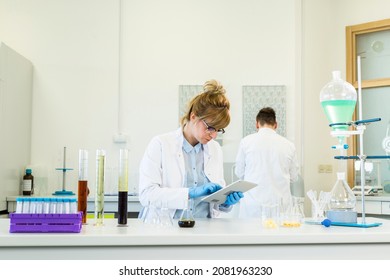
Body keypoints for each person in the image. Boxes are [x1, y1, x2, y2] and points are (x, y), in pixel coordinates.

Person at [138, 79, 244, 219]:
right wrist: (189, 193)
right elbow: (147, 195)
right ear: (193, 116)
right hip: (167, 228)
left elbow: (214, 199)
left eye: (218, 130)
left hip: (205, 230)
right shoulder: (160, 144)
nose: (213, 135)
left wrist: (225, 202)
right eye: (210, 127)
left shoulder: (215, 149)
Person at [235, 107, 299, 218]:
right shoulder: (289, 145)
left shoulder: (246, 142)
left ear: (257, 124)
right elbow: (294, 177)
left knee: (250, 234)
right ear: (276, 125)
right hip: (281, 208)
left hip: (252, 207)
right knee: (279, 234)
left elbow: (239, 173)